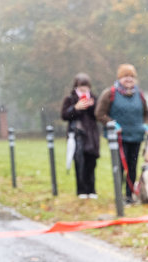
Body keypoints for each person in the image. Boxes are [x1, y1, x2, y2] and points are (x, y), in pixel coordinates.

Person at [95, 64, 148, 204]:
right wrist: (112, 123)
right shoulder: (110, 93)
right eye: (126, 76)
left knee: (132, 167)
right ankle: (119, 196)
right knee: (118, 167)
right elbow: (99, 114)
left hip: (136, 137)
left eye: (131, 76)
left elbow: (145, 113)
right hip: (118, 138)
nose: (129, 79)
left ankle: (129, 196)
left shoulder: (140, 94)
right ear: (120, 78)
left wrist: (145, 124)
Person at [60, 73, 100, 199]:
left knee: (91, 163)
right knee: (79, 162)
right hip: (78, 136)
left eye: (86, 87)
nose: (84, 90)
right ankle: (81, 190)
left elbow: (97, 115)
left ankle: (91, 190)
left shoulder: (93, 98)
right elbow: (64, 116)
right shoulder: (70, 99)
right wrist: (76, 108)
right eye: (81, 87)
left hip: (92, 136)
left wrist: (91, 106)